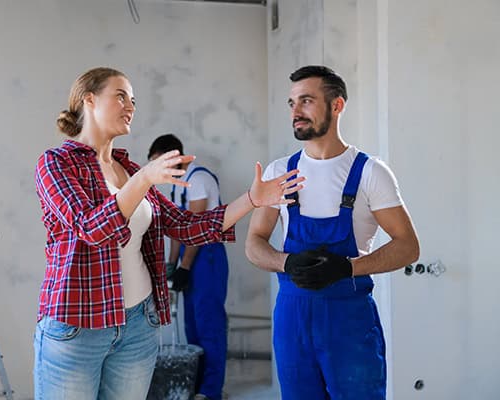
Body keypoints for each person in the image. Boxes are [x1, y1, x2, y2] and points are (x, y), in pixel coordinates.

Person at [33, 67, 305, 400]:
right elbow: (92, 228)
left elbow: (185, 225)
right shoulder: (56, 164)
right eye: (120, 96)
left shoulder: (131, 170)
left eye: (133, 100)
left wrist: (252, 199)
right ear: (89, 100)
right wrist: (144, 179)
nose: (130, 106)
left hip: (137, 326)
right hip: (77, 326)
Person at [245, 65, 420, 400]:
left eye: (306, 101)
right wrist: (287, 262)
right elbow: (254, 244)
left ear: (337, 105)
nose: (296, 111)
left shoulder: (370, 173)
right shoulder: (280, 172)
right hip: (292, 321)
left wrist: (347, 267)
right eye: (292, 103)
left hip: (348, 323)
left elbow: (408, 247)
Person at [148, 134, 228, 400]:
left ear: (174, 157)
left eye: (160, 163)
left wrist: (185, 266)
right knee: (191, 324)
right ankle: (194, 385)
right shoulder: (177, 185)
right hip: (188, 255)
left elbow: (196, 229)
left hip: (207, 256)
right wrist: (172, 266)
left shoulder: (198, 179)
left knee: (209, 323)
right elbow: (176, 231)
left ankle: (210, 391)